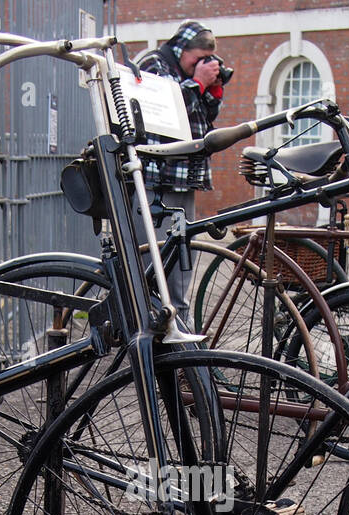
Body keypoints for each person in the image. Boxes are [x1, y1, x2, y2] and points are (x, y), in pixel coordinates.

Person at [136, 20, 226, 323]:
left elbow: (200, 118)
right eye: (197, 58)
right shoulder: (154, 64)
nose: (200, 64)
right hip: (157, 181)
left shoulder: (184, 73)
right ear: (181, 49)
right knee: (158, 261)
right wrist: (198, 83)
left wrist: (210, 91)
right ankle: (157, 330)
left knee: (183, 260)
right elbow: (163, 114)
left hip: (184, 179)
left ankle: (181, 333)